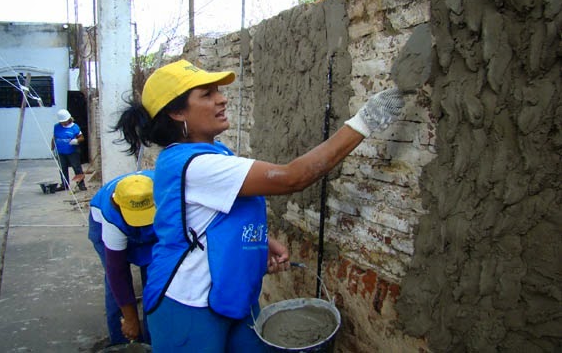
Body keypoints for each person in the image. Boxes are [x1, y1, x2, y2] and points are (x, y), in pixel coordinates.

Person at [113, 59, 404, 352]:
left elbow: (212, 220)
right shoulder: (194, 164)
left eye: (218, 92)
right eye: (207, 94)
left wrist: (256, 243)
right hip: (187, 304)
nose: (222, 99)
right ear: (176, 112)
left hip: (230, 293)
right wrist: (365, 120)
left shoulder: (212, 153)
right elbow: (293, 178)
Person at [88, 170, 157, 345]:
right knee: (115, 285)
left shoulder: (164, 192)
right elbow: (117, 272)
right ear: (118, 205)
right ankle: (122, 340)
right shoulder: (111, 216)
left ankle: (152, 340)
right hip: (105, 225)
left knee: (154, 280)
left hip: (153, 219)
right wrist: (131, 319)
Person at [51, 109, 87, 191]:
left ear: (69, 119)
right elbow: (54, 137)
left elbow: (81, 137)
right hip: (60, 152)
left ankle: (81, 184)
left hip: (72, 152)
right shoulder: (57, 127)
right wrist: (52, 148)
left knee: (77, 168)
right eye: (62, 122)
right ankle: (64, 184)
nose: (63, 123)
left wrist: (77, 141)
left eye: (65, 121)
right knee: (62, 168)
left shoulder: (75, 127)